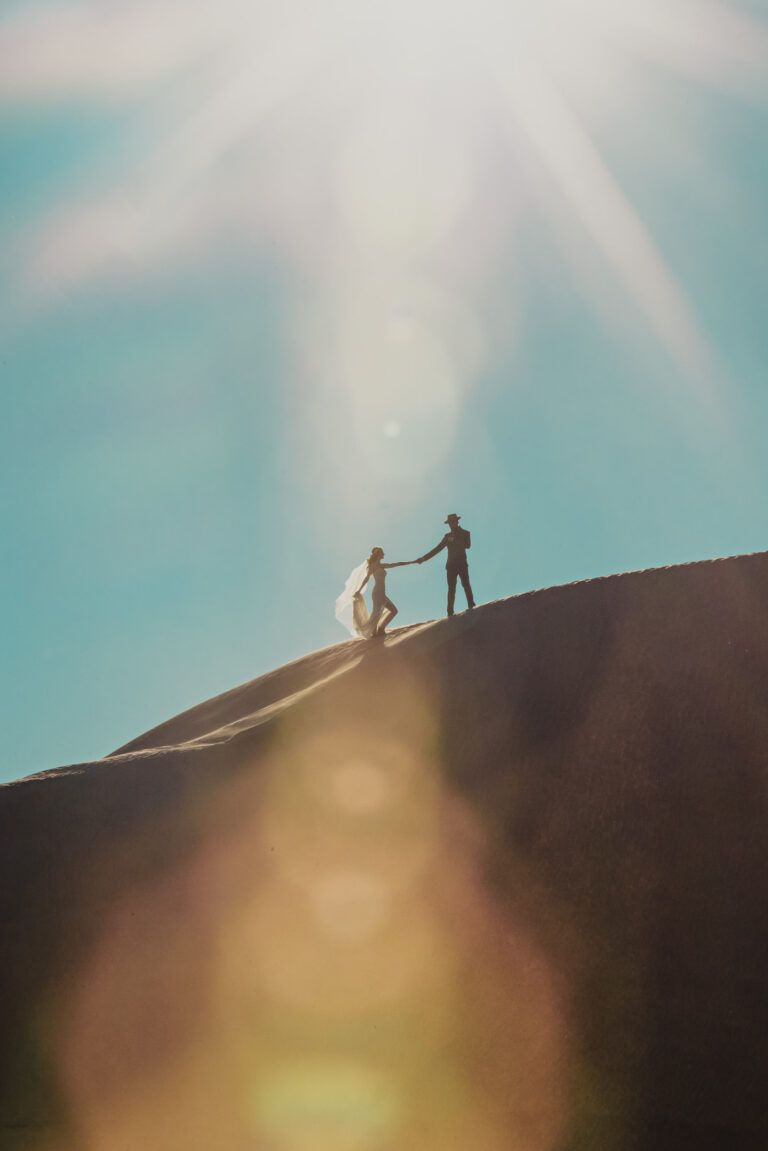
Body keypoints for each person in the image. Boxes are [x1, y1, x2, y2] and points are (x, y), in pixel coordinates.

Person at [417, 513, 475, 616]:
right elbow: (438, 548)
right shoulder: (447, 536)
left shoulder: (466, 533)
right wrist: (424, 558)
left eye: (452, 522)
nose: (451, 524)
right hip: (451, 566)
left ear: (457, 522)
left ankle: (472, 606)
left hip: (462, 564)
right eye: (449, 523)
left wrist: (455, 540)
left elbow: (468, 545)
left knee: (466, 584)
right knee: (451, 588)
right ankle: (450, 612)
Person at [355, 547, 411, 638]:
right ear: (378, 554)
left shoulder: (382, 566)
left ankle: (380, 629)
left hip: (382, 593)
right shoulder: (373, 566)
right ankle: (375, 632)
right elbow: (367, 578)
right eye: (382, 553)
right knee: (376, 613)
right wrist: (359, 590)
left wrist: (411, 562)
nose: (384, 554)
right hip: (377, 592)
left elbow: (395, 564)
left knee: (393, 611)